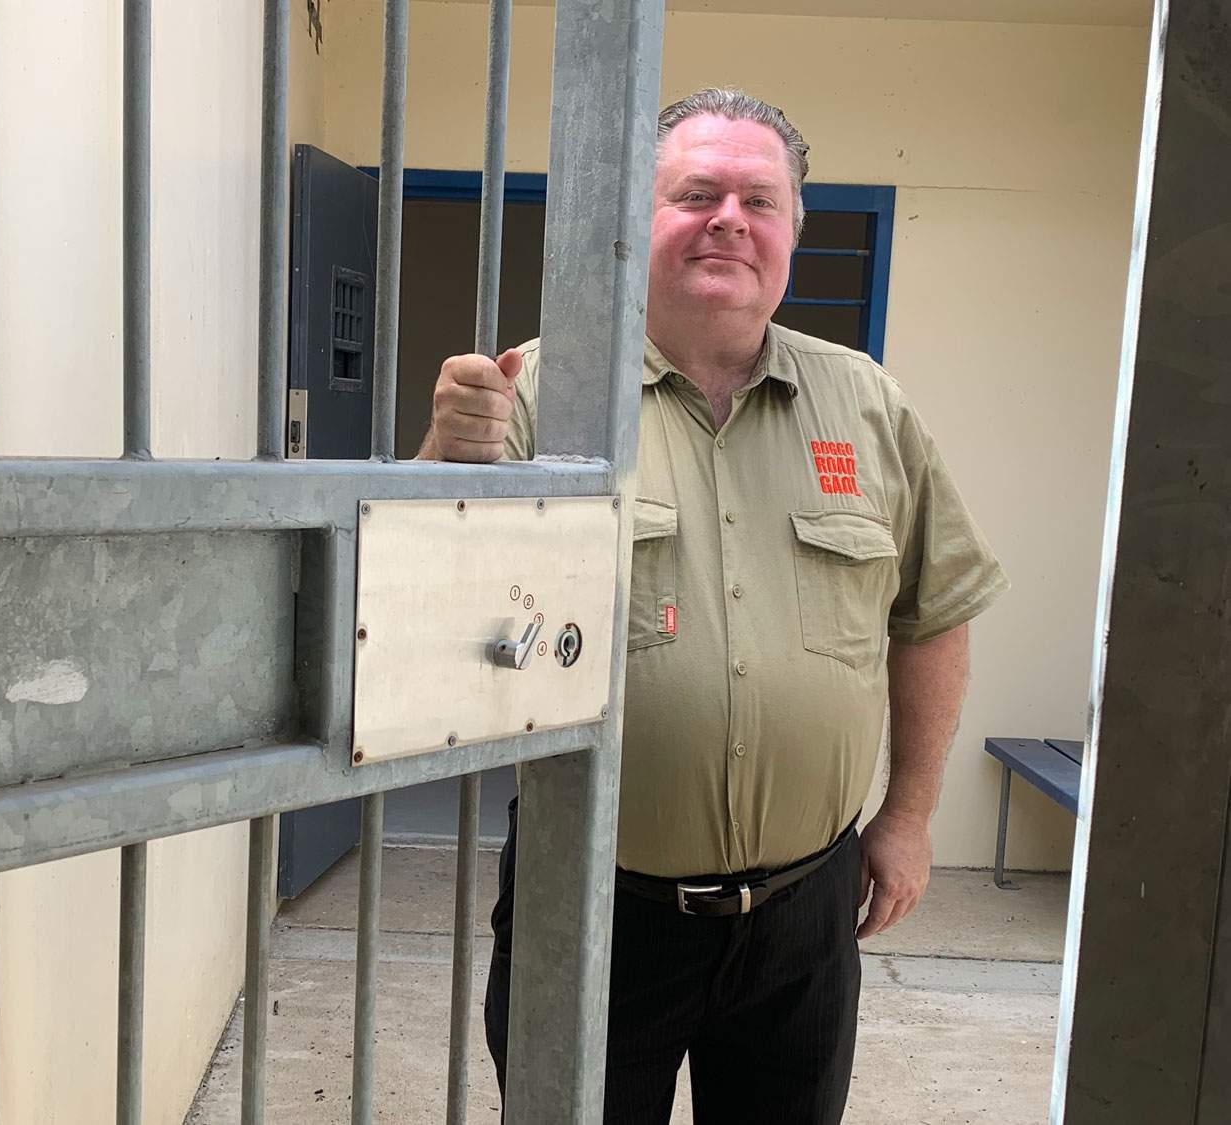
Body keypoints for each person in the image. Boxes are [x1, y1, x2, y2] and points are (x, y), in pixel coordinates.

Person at [418, 88, 1008, 1124]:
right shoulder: (541, 394)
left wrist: (909, 817)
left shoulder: (870, 405)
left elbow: (934, 614)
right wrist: (444, 457)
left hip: (805, 918)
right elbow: (427, 598)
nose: (729, 220)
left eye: (758, 201)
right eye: (696, 194)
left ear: (791, 235)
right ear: (637, 220)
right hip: (594, 904)